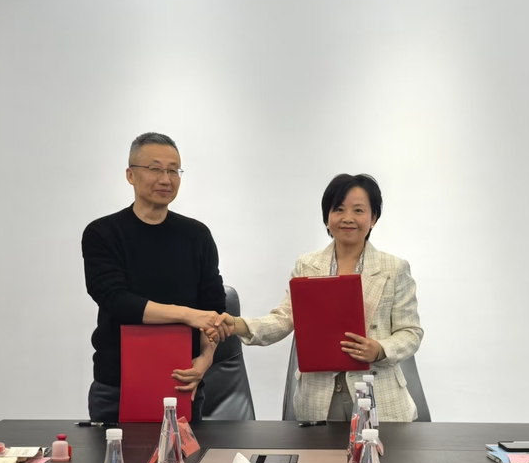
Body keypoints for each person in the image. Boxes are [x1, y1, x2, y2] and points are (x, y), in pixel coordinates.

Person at [210, 174, 423, 422]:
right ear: (327, 217)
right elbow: (285, 318)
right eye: (339, 209)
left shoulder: (394, 268)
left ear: (373, 218)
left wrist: (379, 349)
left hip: (379, 396)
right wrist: (237, 324)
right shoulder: (307, 265)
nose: (348, 218)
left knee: (373, 450)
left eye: (358, 210)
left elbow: (411, 332)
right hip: (319, 399)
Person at [82, 132, 226, 422]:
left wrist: (205, 358)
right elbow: (117, 301)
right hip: (117, 387)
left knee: (187, 455)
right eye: (155, 169)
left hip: (183, 381)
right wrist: (187, 314)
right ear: (130, 175)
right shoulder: (103, 233)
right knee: (116, 454)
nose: (166, 179)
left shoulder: (196, 235)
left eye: (173, 170)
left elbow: (213, 308)